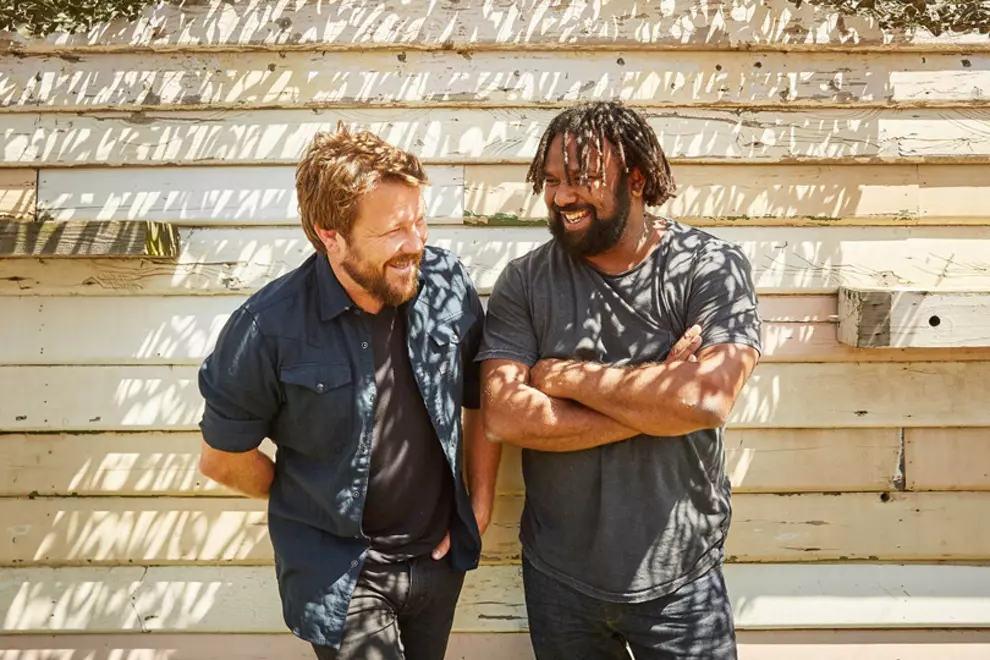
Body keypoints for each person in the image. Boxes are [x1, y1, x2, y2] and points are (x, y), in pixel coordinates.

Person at [197, 125, 501, 660]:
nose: (416, 244)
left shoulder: (447, 283)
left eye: (419, 221)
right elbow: (223, 459)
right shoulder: (267, 327)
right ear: (331, 235)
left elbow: (482, 398)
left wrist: (479, 502)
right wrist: (306, 498)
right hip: (340, 573)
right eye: (394, 231)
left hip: (437, 563)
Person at [476, 101, 762, 659]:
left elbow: (706, 399)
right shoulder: (526, 281)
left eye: (582, 179)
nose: (562, 196)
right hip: (560, 581)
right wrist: (656, 400)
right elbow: (505, 416)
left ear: (636, 179)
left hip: (682, 579)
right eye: (552, 181)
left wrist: (563, 377)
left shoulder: (708, 267)